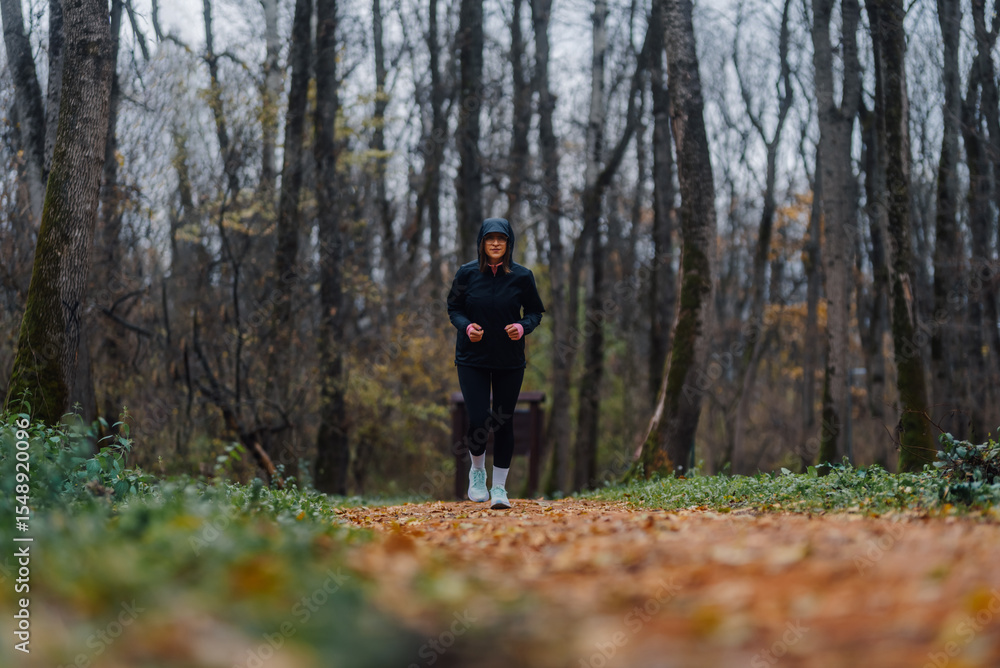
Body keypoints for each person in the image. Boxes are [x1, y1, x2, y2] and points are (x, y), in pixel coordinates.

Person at [447, 218, 545, 509]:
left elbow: (535, 312)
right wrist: (466, 327)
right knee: (478, 419)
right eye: (489, 238)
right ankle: (477, 472)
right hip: (471, 358)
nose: (495, 243)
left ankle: (499, 488)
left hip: (508, 360)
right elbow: (454, 307)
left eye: (501, 239)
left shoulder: (522, 276)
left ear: (508, 243)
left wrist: (522, 327)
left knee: (503, 421)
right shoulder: (466, 274)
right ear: (481, 242)